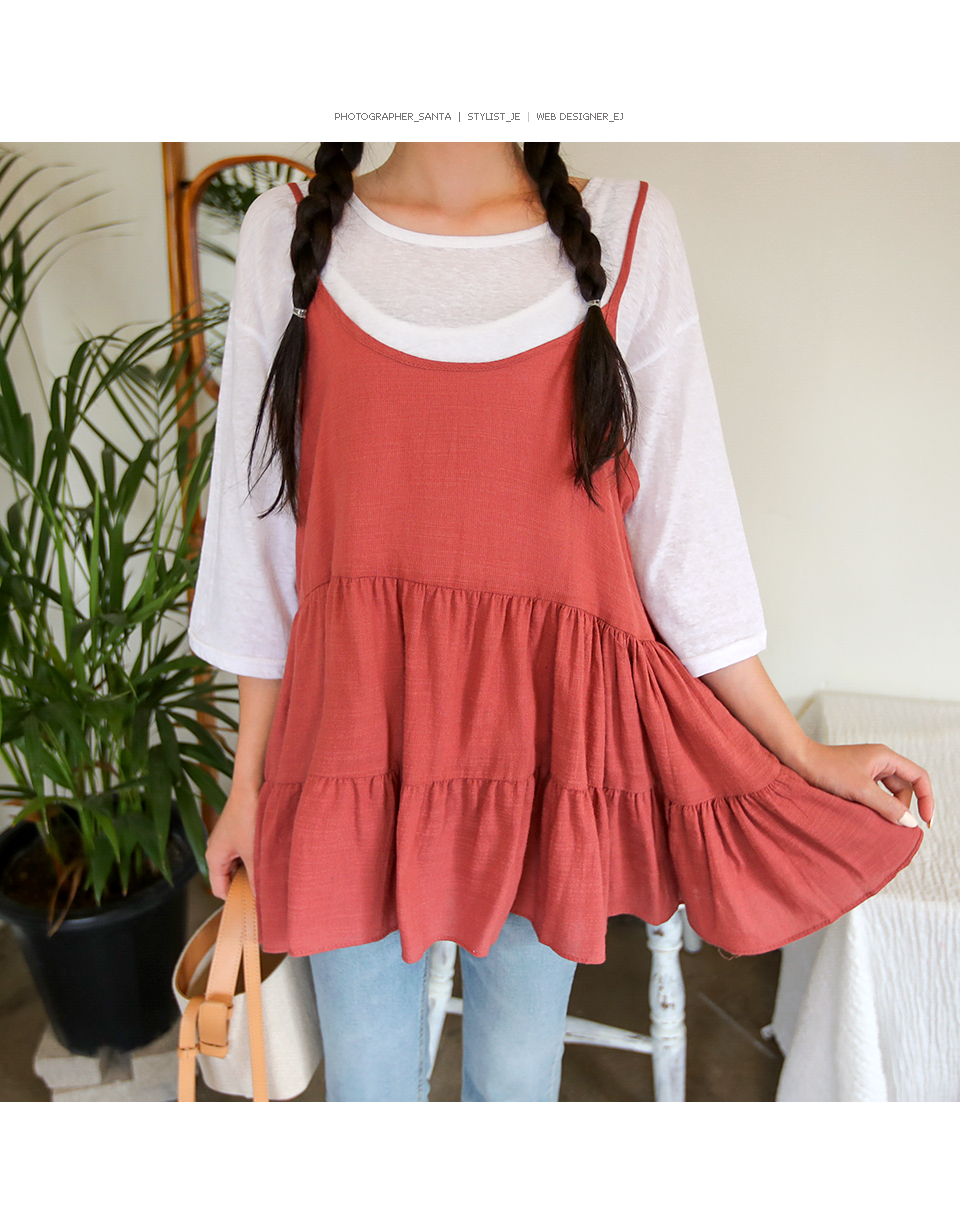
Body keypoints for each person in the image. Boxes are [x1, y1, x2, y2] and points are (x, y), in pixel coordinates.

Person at [190, 141, 934, 1102]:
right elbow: (257, 544)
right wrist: (247, 783)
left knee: (516, 1079)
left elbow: (686, 547)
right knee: (366, 1087)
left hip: (545, 753)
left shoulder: (628, 232)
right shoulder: (288, 235)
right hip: (347, 747)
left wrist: (798, 752)